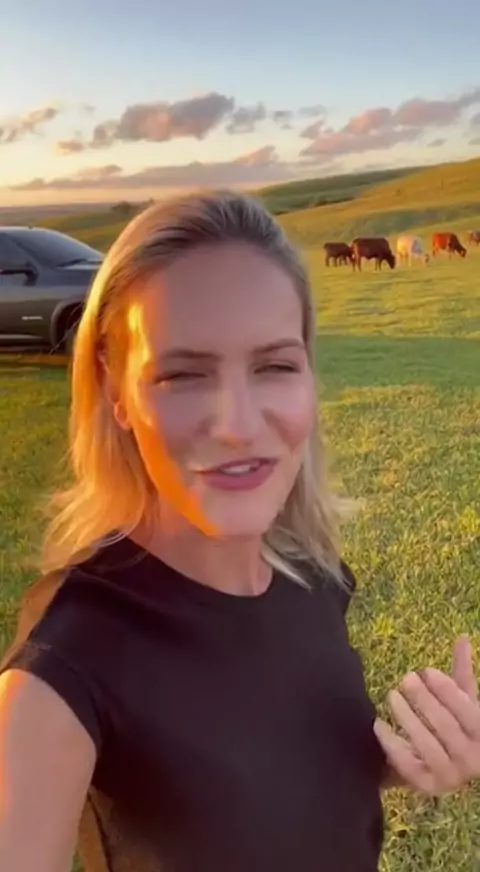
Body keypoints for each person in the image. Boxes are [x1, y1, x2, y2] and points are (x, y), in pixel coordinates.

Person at [0, 190, 478, 872]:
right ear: (115, 392)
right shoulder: (64, 668)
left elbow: (267, 783)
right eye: (182, 374)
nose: (238, 425)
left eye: (274, 365)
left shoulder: (310, 573)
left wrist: (403, 763)